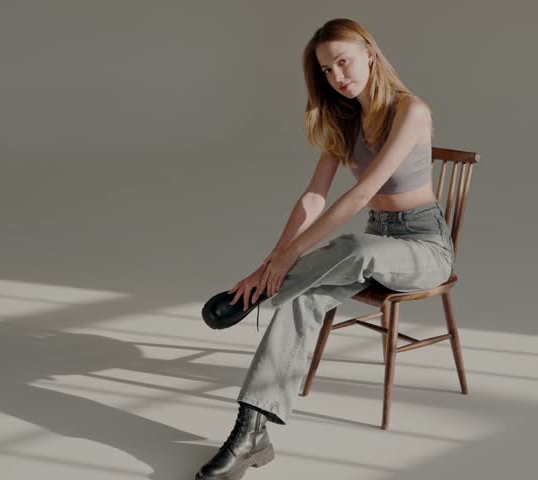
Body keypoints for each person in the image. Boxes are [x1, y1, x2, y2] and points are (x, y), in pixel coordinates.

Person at [194, 17, 455, 480]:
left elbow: (357, 196)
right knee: (303, 298)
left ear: (369, 55)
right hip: (374, 245)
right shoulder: (345, 120)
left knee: (354, 246)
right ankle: (251, 432)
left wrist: (281, 262)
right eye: (327, 70)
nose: (338, 76)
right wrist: (271, 259)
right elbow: (314, 197)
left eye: (343, 62)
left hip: (422, 248)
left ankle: (253, 295)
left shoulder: (409, 111)